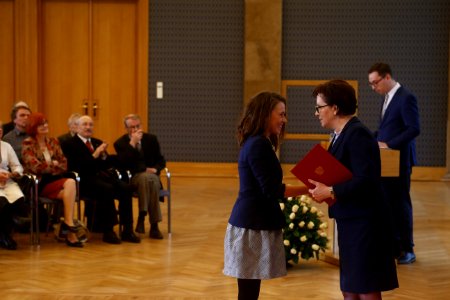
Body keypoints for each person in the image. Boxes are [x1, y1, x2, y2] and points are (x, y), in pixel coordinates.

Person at [308, 80, 398, 300]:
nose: (317, 113)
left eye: (319, 107)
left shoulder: (357, 134)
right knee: (350, 287)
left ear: (335, 108)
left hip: (366, 224)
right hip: (352, 221)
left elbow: (366, 181)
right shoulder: (341, 134)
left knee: (365, 286)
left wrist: (330, 191)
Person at [223, 92, 309, 300]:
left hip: (250, 223)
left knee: (249, 291)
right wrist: (308, 188)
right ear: (265, 114)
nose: (284, 120)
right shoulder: (258, 144)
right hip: (251, 226)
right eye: (280, 114)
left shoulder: (257, 142)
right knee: (248, 293)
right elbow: (273, 190)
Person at [368, 63, 420, 264]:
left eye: (375, 83)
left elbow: (413, 129)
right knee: (388, 205)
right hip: (387, 161)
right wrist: (372, 137)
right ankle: (394, 247)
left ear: (387, 76)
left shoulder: (406, 97)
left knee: (400, 204)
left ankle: (408, 249)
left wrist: (388, 144)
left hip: (400, 160)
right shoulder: (387, 98)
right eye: (371, 84)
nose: (374, 88)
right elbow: (387, 129)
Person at [61, 115, 140, 244]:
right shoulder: (69, 144)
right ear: (77, 127)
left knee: (126, 188)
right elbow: (79, 167)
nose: (88, 127)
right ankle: (108, 231)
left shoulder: (96, 142)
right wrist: (96, 154)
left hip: (100, 177)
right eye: (85, 124)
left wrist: (104, 156)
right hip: (82, 180)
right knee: (106, 189)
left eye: (90, 125)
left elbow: (106, 163)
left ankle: (128, 230)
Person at [21, 113, 83, 247]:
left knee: (68, 189)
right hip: (39, 183)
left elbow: (64, 164)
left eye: (46, 123)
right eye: (41, 124)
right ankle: (69, 228)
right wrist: (53, 165)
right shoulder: (28, 143)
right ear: (33, 127)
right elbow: (34, 167)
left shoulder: (53, 141)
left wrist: (52, 166)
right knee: (71, 183)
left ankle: (69, 228)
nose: (45, 126)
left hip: (55, 181)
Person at [114, 114, 166, 239]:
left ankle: (142, 216)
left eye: (138, 126)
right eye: (132, 127)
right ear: (126, 128)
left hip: (151, 177)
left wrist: (156, 169)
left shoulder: (151, 139)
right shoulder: (120, 143)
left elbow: (161, 160)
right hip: (133, 177)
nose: (136, 129)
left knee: (149, 179)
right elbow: (123, 164)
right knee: (146, 178)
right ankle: (154, 226)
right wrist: (133, 143)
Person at [0, 121, 25, 250]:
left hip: (7, 181)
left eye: (0, 128)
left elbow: (17, 165)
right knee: (2, 202)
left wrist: (14, 173)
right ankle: (4, 235)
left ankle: (5, 232)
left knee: (19, 200)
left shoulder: (6, 146)